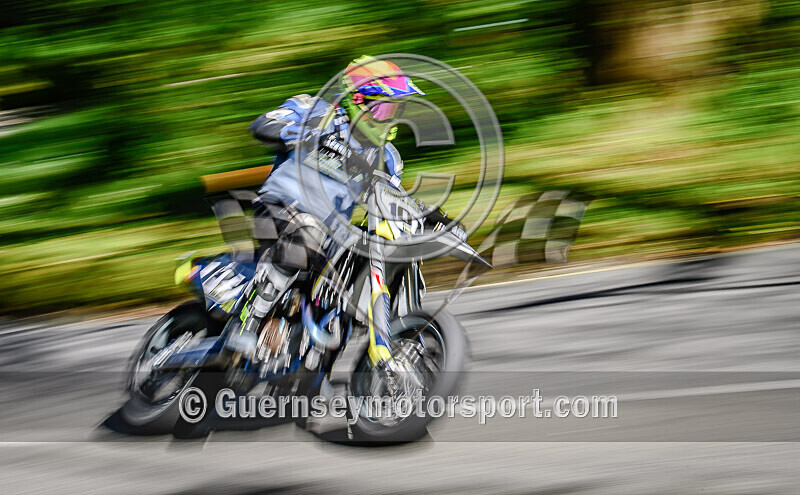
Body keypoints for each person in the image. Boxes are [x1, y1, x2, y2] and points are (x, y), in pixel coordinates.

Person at [225, 56, 427, 358]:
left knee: (380, 259)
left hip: (330, 237)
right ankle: (245, 322)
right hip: (280, 209)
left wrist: (424, 216)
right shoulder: (317, 112)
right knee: (308, 232)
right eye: (384, 107)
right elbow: (262, 124)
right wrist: (301, 133)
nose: (390, 117)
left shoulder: (386, 157)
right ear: (358, 100)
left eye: (395, 109)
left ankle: (327, 357)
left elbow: (393, 199)